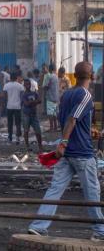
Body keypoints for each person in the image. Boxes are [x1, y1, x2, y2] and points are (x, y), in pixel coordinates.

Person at [28, 61, 104, 240]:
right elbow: (72, 119)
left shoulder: (67, 94)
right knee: (92, 194)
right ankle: (100, 231)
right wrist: (63, 143)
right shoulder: (86, 95)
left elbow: (69, 120)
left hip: (67, 154)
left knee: (55, 190)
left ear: (75, 76)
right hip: (82, 154)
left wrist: (84, 133)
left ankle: (38, 226)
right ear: (92, 76)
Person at [21, 78, 43, 151]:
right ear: (24, 85)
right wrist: (35, 102)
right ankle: (27, 146)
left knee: (38, 131)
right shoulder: (24, 94)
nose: (28, 85)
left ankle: (40, 147)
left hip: (33, 114)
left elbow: (40, 100)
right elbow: (26, 104)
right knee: (26, 131)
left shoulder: (34, 93)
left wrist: (31, 102)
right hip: (26, 115)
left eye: (29, 84)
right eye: (26, 84)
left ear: (30, 85)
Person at [3, 74, 24, 144]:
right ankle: (18, 138)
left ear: (10, 78)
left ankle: (10, 137)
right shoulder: (20, 86)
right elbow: (22, 97)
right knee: (18, 122)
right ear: (16, 78)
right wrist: (21, 104)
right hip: (17, 106)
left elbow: (5, 97)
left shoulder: (6, 85)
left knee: (10, 122)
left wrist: (5, 104)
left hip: (9, 106)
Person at [43, 64, 60, 133]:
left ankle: (51, 128)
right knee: (55, 113)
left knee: (50, 113)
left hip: (50, 97)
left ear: (49, 69)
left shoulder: (49, 76)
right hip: (56, 97)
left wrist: (44, 88)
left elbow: (46, 86)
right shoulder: (56, 76)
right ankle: (55, 127)